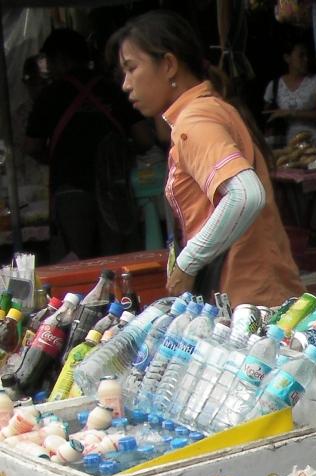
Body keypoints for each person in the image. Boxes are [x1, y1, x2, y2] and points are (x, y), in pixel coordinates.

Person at [110, 11, 302, 306]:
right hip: (254, 294)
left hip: (248, 301)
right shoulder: (208, 109)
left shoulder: (195, 120)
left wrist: (188, 262)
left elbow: (246, 195)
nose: (126, 84)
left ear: (169, 65)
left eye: (132, 68)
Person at [23, 29, 152, 259]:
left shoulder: (50, 95)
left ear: (61, 59)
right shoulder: (114, 90)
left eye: (49, 60)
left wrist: (57, 158)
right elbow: (144, 139)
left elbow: (31, 146)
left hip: (70, 191)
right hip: (115, 191)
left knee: (76, 263)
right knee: (117, 262)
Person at [262, 39, 316, 147]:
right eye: (301, 56)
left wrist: (290, 112)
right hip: (288, 143)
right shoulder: (274, 85)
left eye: (307, 55)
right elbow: (268, 115)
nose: (306, 59)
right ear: (287, 58)